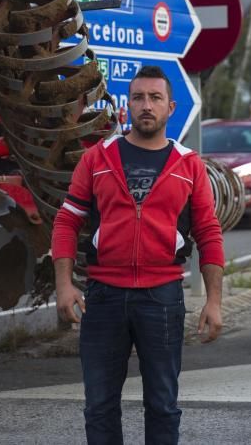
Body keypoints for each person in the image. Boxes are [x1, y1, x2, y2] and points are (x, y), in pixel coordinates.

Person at [51, 64, 225, 445]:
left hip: (161, 299)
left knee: (162, 405)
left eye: (155, 98)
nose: (147, 105)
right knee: (99, 406)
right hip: (104, 298)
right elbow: (66, 223)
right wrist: (64, 286)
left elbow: (209, 234)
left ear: (171, 107)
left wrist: (214, 300)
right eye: (139, 97)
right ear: (128, 105)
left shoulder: (189, 165)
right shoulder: (97, 159)